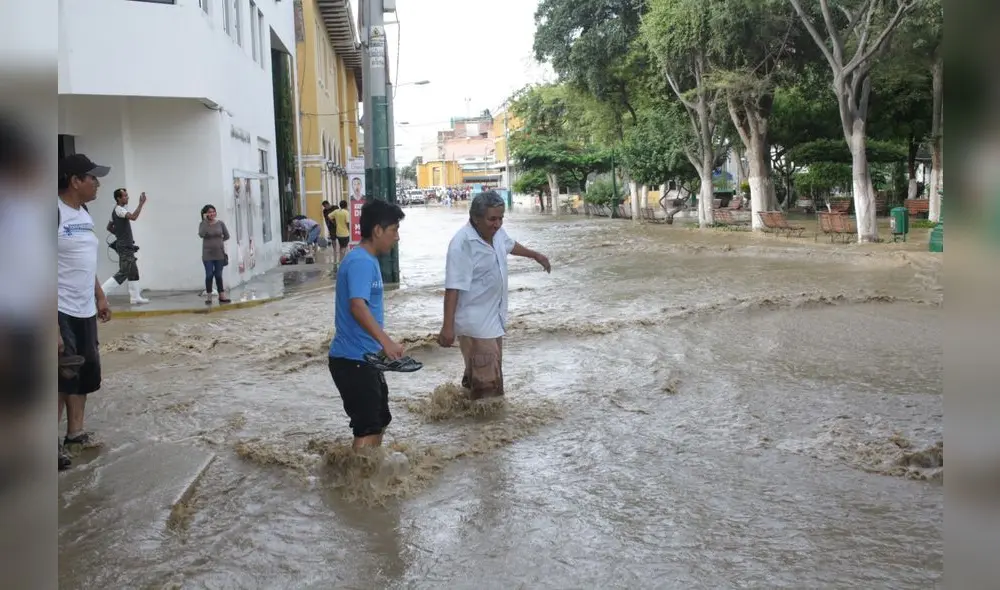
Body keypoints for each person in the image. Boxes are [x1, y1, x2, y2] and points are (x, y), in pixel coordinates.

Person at [438, 190, 551, 399]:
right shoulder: (463, 244)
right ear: (475, 218)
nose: (497, 224)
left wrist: (535, 255)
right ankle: (488, 429)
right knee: (489, 391)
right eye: (492, 219)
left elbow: (509, 245)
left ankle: (464, 420)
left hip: (494, 321)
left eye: (500, 218)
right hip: (476, 325)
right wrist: (447, 327)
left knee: (481, 382)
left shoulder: (496, 233)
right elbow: (452, 287)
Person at [328, 199, 406, 450]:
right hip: (352, 361)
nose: (397, 237)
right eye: (394, 230)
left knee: (379, 422)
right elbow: (357, 307)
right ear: (377, 231)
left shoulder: (365, 260)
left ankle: (369, 480)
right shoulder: (361, 261)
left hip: (365, 358)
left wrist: (381, 346)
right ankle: (356, 484)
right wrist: (387, 342)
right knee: (368, 427)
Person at [57, 154, 113, 470]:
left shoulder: (84, 212)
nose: (97, 183)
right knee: (58, 377)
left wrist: (100, 295)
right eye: (92, 178)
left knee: (83, 373)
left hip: (84, 308)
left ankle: (75, 435)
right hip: (58, 308)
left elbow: (83, 261)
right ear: (75, 180)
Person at [100, 188, 149, 305]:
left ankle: (135, 297)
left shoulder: (116, 211)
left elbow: (109, 227)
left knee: (133, 271)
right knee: (124, 272)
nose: (127, 198)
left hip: (126, 244)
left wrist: (120, 235)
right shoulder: (119, 210)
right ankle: (101, 293)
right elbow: (133, 217)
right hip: (124, 246)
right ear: (118, 198)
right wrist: (141, 204)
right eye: (125, 196)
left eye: (127, 196)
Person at [198, 205, 231, 304]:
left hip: (219, 253)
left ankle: (222, 295)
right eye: (209, 212)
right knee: (209, 275)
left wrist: (218, 241)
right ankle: (209, 297)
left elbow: (227, 236)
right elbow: (201, 234)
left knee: (218, 275)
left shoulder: (220, 223)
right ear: (205, 214)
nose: (212, 214)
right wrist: (205, 222)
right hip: (207, 254)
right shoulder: (203, 224)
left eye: (213, 211)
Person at [328, 199, 351, 265]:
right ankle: (342, 261)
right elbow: (347, 222)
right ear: (346, 205)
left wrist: (334, 223)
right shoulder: (346, 212)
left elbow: (329, 216)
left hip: (338, 233)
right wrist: (349, 229)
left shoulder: (336, 211)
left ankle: (341, 260)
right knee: (344, 248)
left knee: (341, 247)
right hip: (345, 233)